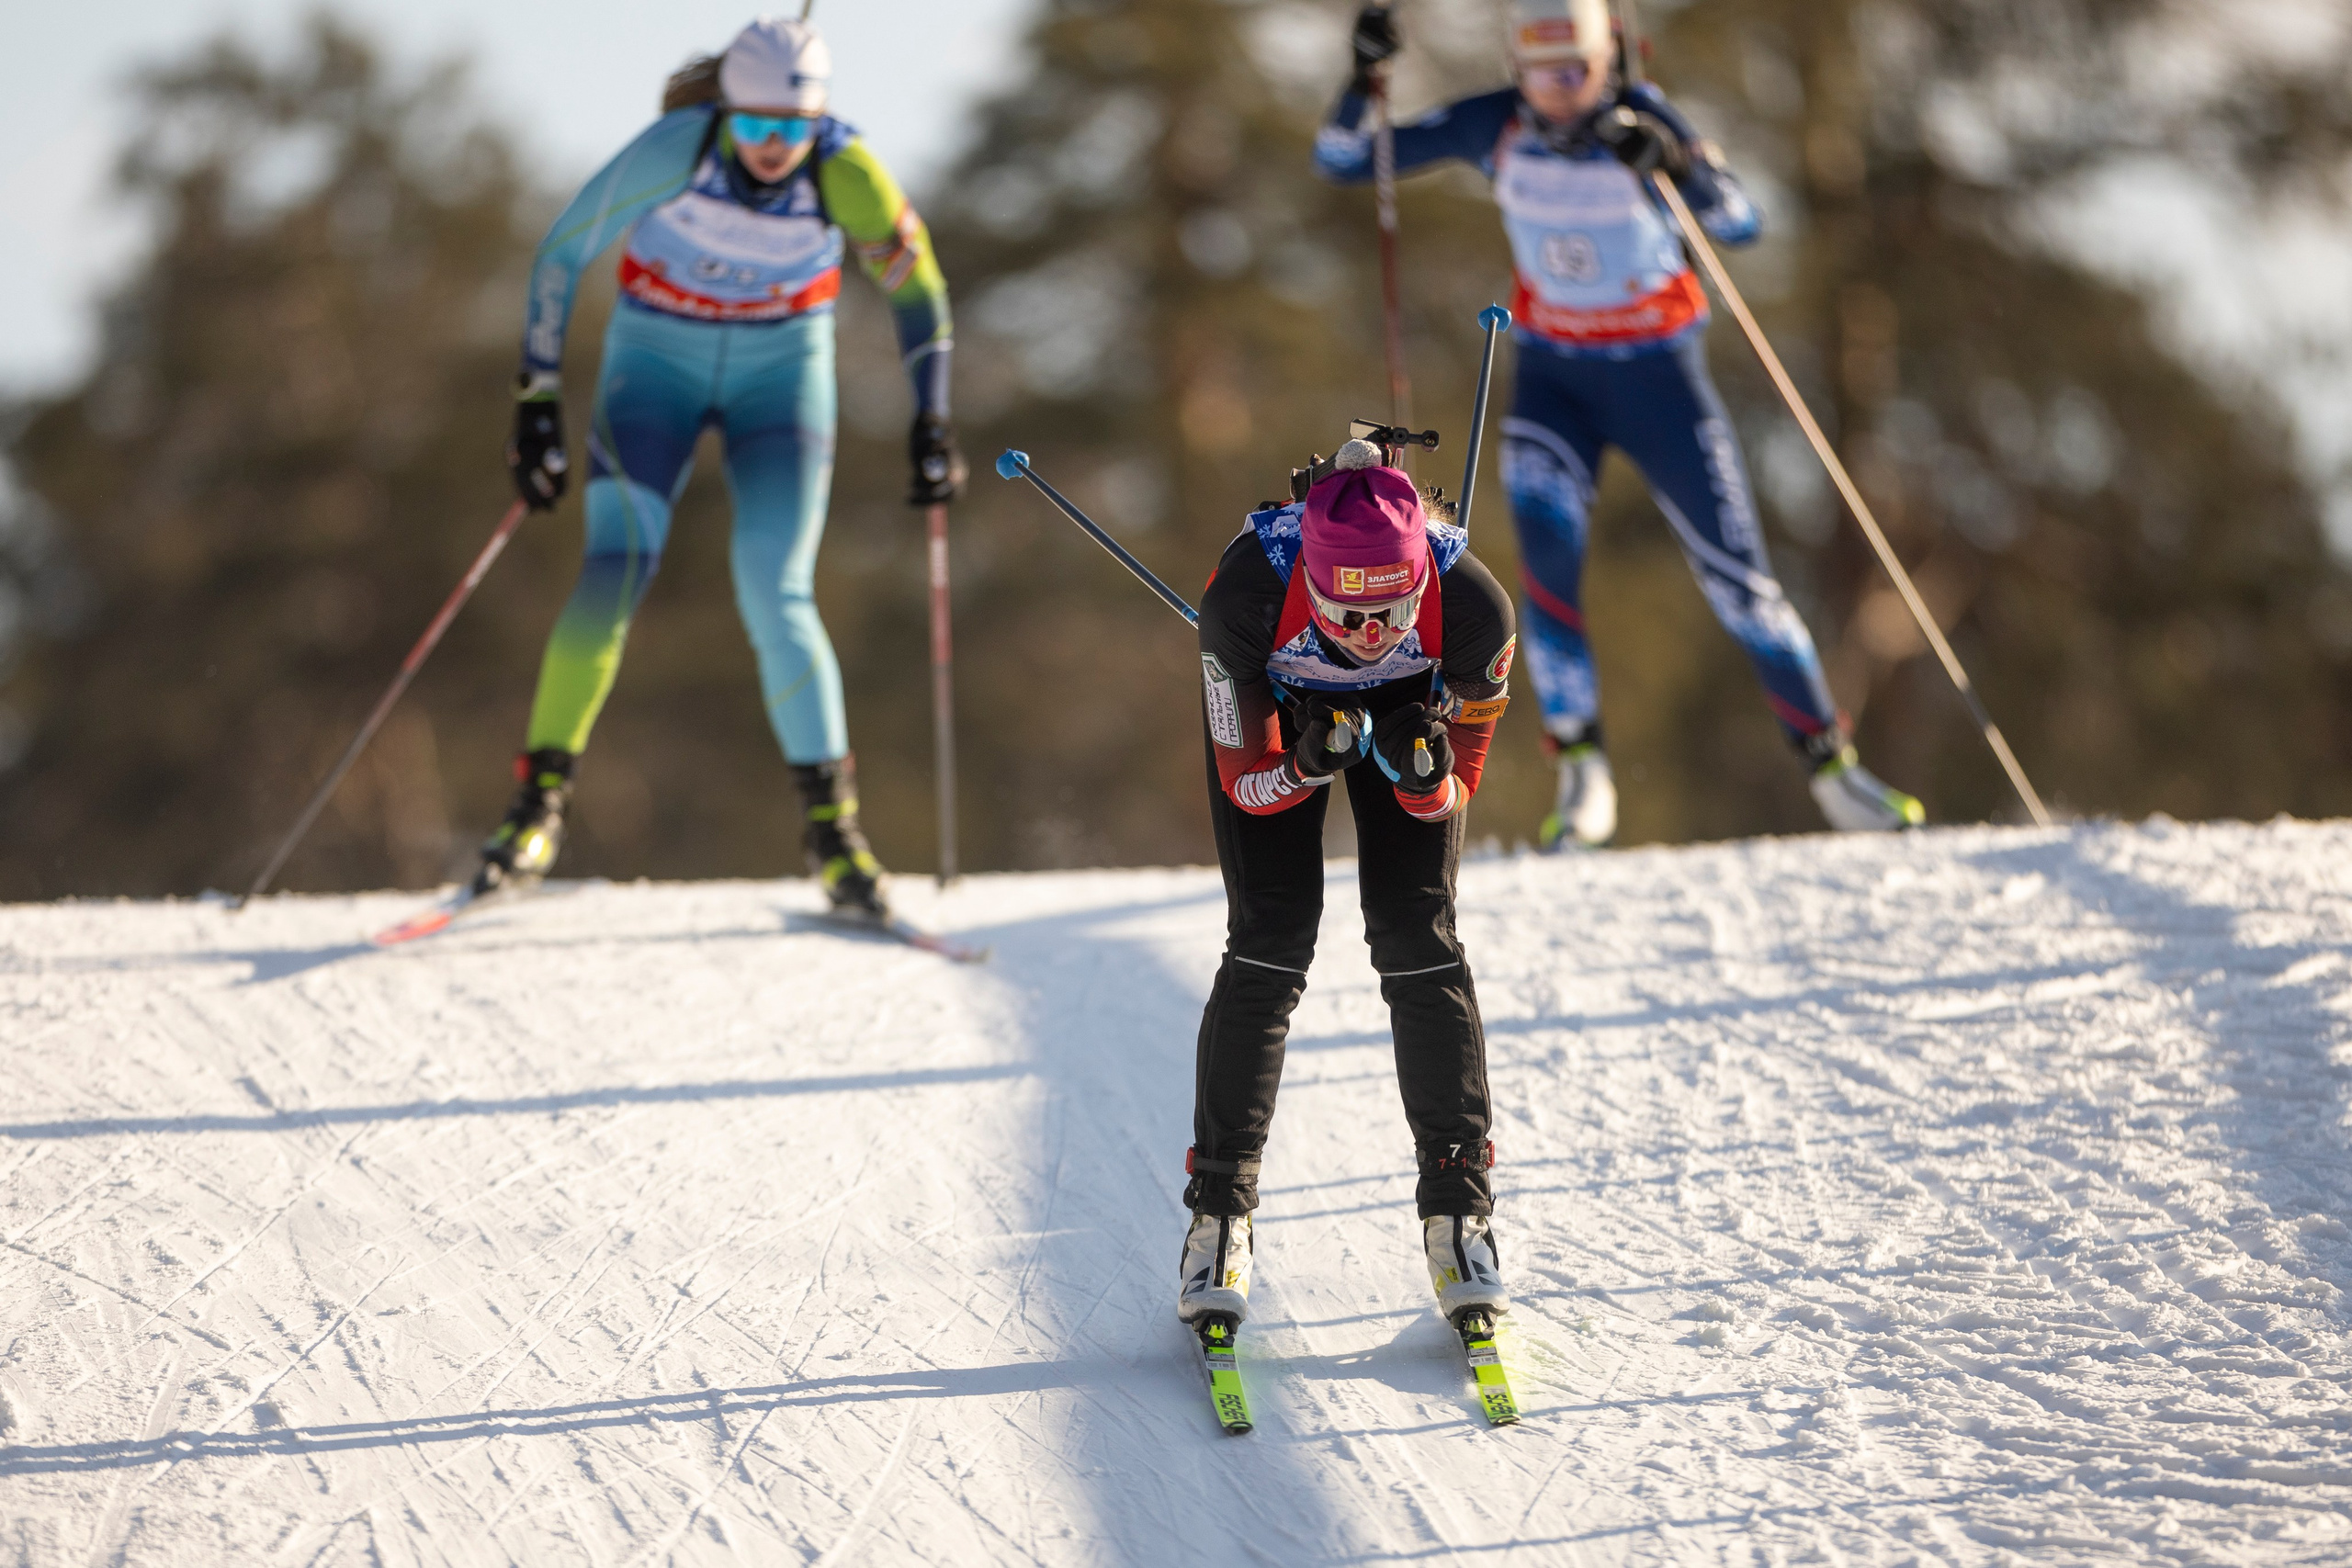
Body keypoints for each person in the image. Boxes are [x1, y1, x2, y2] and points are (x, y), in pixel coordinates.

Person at [1315, 0, 1922, 848]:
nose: (1560, 92)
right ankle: (1582, 769)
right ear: (1517, 69)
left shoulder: (1642, 120)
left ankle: (1832, 766)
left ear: (1611, 61)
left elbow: (1740, 221)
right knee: (1547, 572)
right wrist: (1364, 77)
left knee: (1739, 580)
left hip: (1661, 382)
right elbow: (1345, 160)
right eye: (1541, 74)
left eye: (1577, 71)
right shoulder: (1496, 124)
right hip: (1554, 383)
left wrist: (1674, 160)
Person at [481, 16, 961, 917]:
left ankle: (835, 836)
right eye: (755, 125)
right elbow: (560, 252)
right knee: (613, 572)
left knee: (776, 591)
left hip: (779, 383)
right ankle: (534, 810)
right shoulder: (677, 149)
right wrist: (535, 399)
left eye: (794, 128)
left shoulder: (846, 172)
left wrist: (932, 419)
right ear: (725, 111)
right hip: (652, 371)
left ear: (820, 119)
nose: (774, 147)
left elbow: (920, 292)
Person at [1179, 437, 1514, 1337]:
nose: (1370, 636)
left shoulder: (1474, 611)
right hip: (1282, 712)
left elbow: (1461, 784)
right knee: (1270, 938)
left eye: (1391, 613)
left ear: (1421, 581)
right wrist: (1302, 764)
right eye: (1348, 614)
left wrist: (1423, 778)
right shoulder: (1244, 599)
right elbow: (1246, 784)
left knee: (1417, 935)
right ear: (1311, 582)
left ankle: (1460, 1209)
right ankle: (1219, 1216)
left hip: (1414, 707)